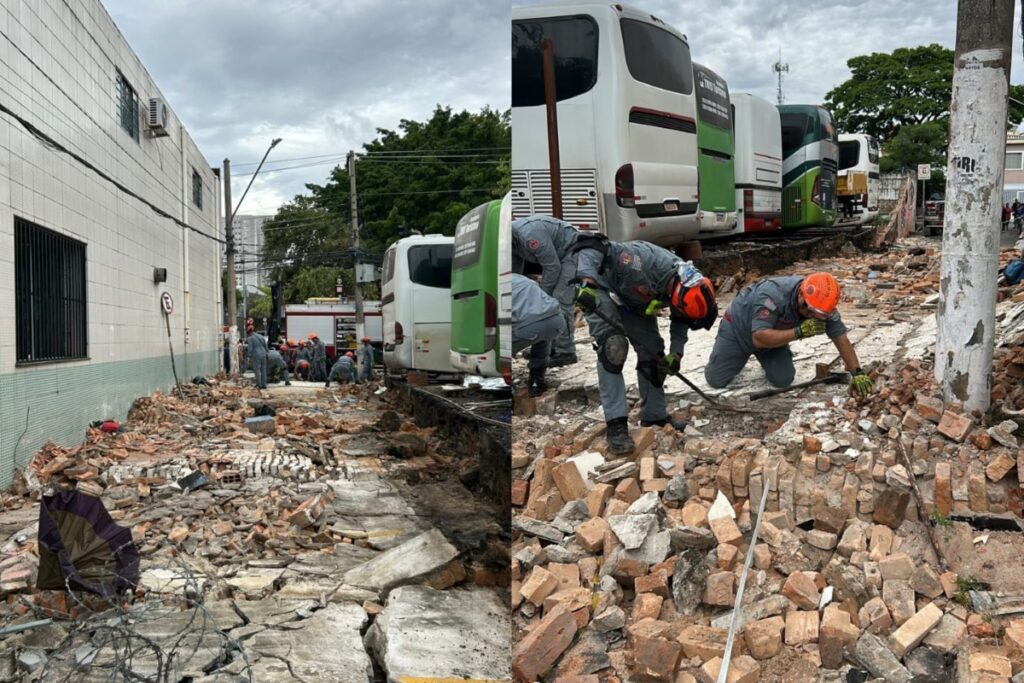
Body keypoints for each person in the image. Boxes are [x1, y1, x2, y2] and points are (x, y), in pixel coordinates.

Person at [575, 240, 718, 454]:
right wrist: (587, 284)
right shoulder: (637, 261)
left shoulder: (691, 282)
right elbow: (595, 245)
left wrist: (676, 354)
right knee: (613, 349)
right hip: (602, 290)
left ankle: (654, 416)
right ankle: (616, 425)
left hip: (634, 302)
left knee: (654, 355)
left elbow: (680, 320)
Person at [704, 273, 872, 397]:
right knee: (716, 380)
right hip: (738, 330)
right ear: (801, 295)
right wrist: (798, 332)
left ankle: (768, 355)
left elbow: (840, 337)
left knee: (783, 380)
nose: (813, 316)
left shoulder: (823, 306)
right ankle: (733, 357)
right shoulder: (773, 294)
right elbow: (758, 337)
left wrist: (857, 371)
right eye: (811, 312)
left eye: (818, 314)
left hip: (771, 338)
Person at [512, 215, 584, 367]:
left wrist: (541, 294)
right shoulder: (510, 242)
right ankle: (549, 349)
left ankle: (566, 352)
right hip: (555, 259)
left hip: (571, 252)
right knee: (542, 306)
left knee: (560, 300)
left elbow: (552, 267)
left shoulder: (530, 235)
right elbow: (515, 275)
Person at [512, 274, 567, 396]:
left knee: (499, 348)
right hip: (556, 320)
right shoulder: (522, 278)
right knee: (542, 337)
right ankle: (536, 381)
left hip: (530, 327)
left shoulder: (497, 283)